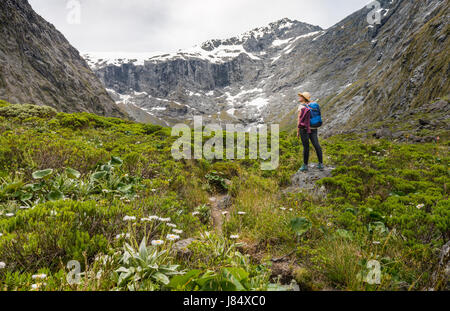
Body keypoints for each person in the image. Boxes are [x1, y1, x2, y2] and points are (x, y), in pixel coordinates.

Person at [297, 92, 324, 172]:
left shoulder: (301, 106)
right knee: (316, 145)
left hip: (304, 129)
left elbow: (299, 120)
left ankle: (305, 165)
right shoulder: (314, 104)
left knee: (306, 147)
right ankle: (320, 164)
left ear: (304, 98)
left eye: (300, 96)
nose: (299, 97)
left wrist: (298, 131)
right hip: (314, 127)